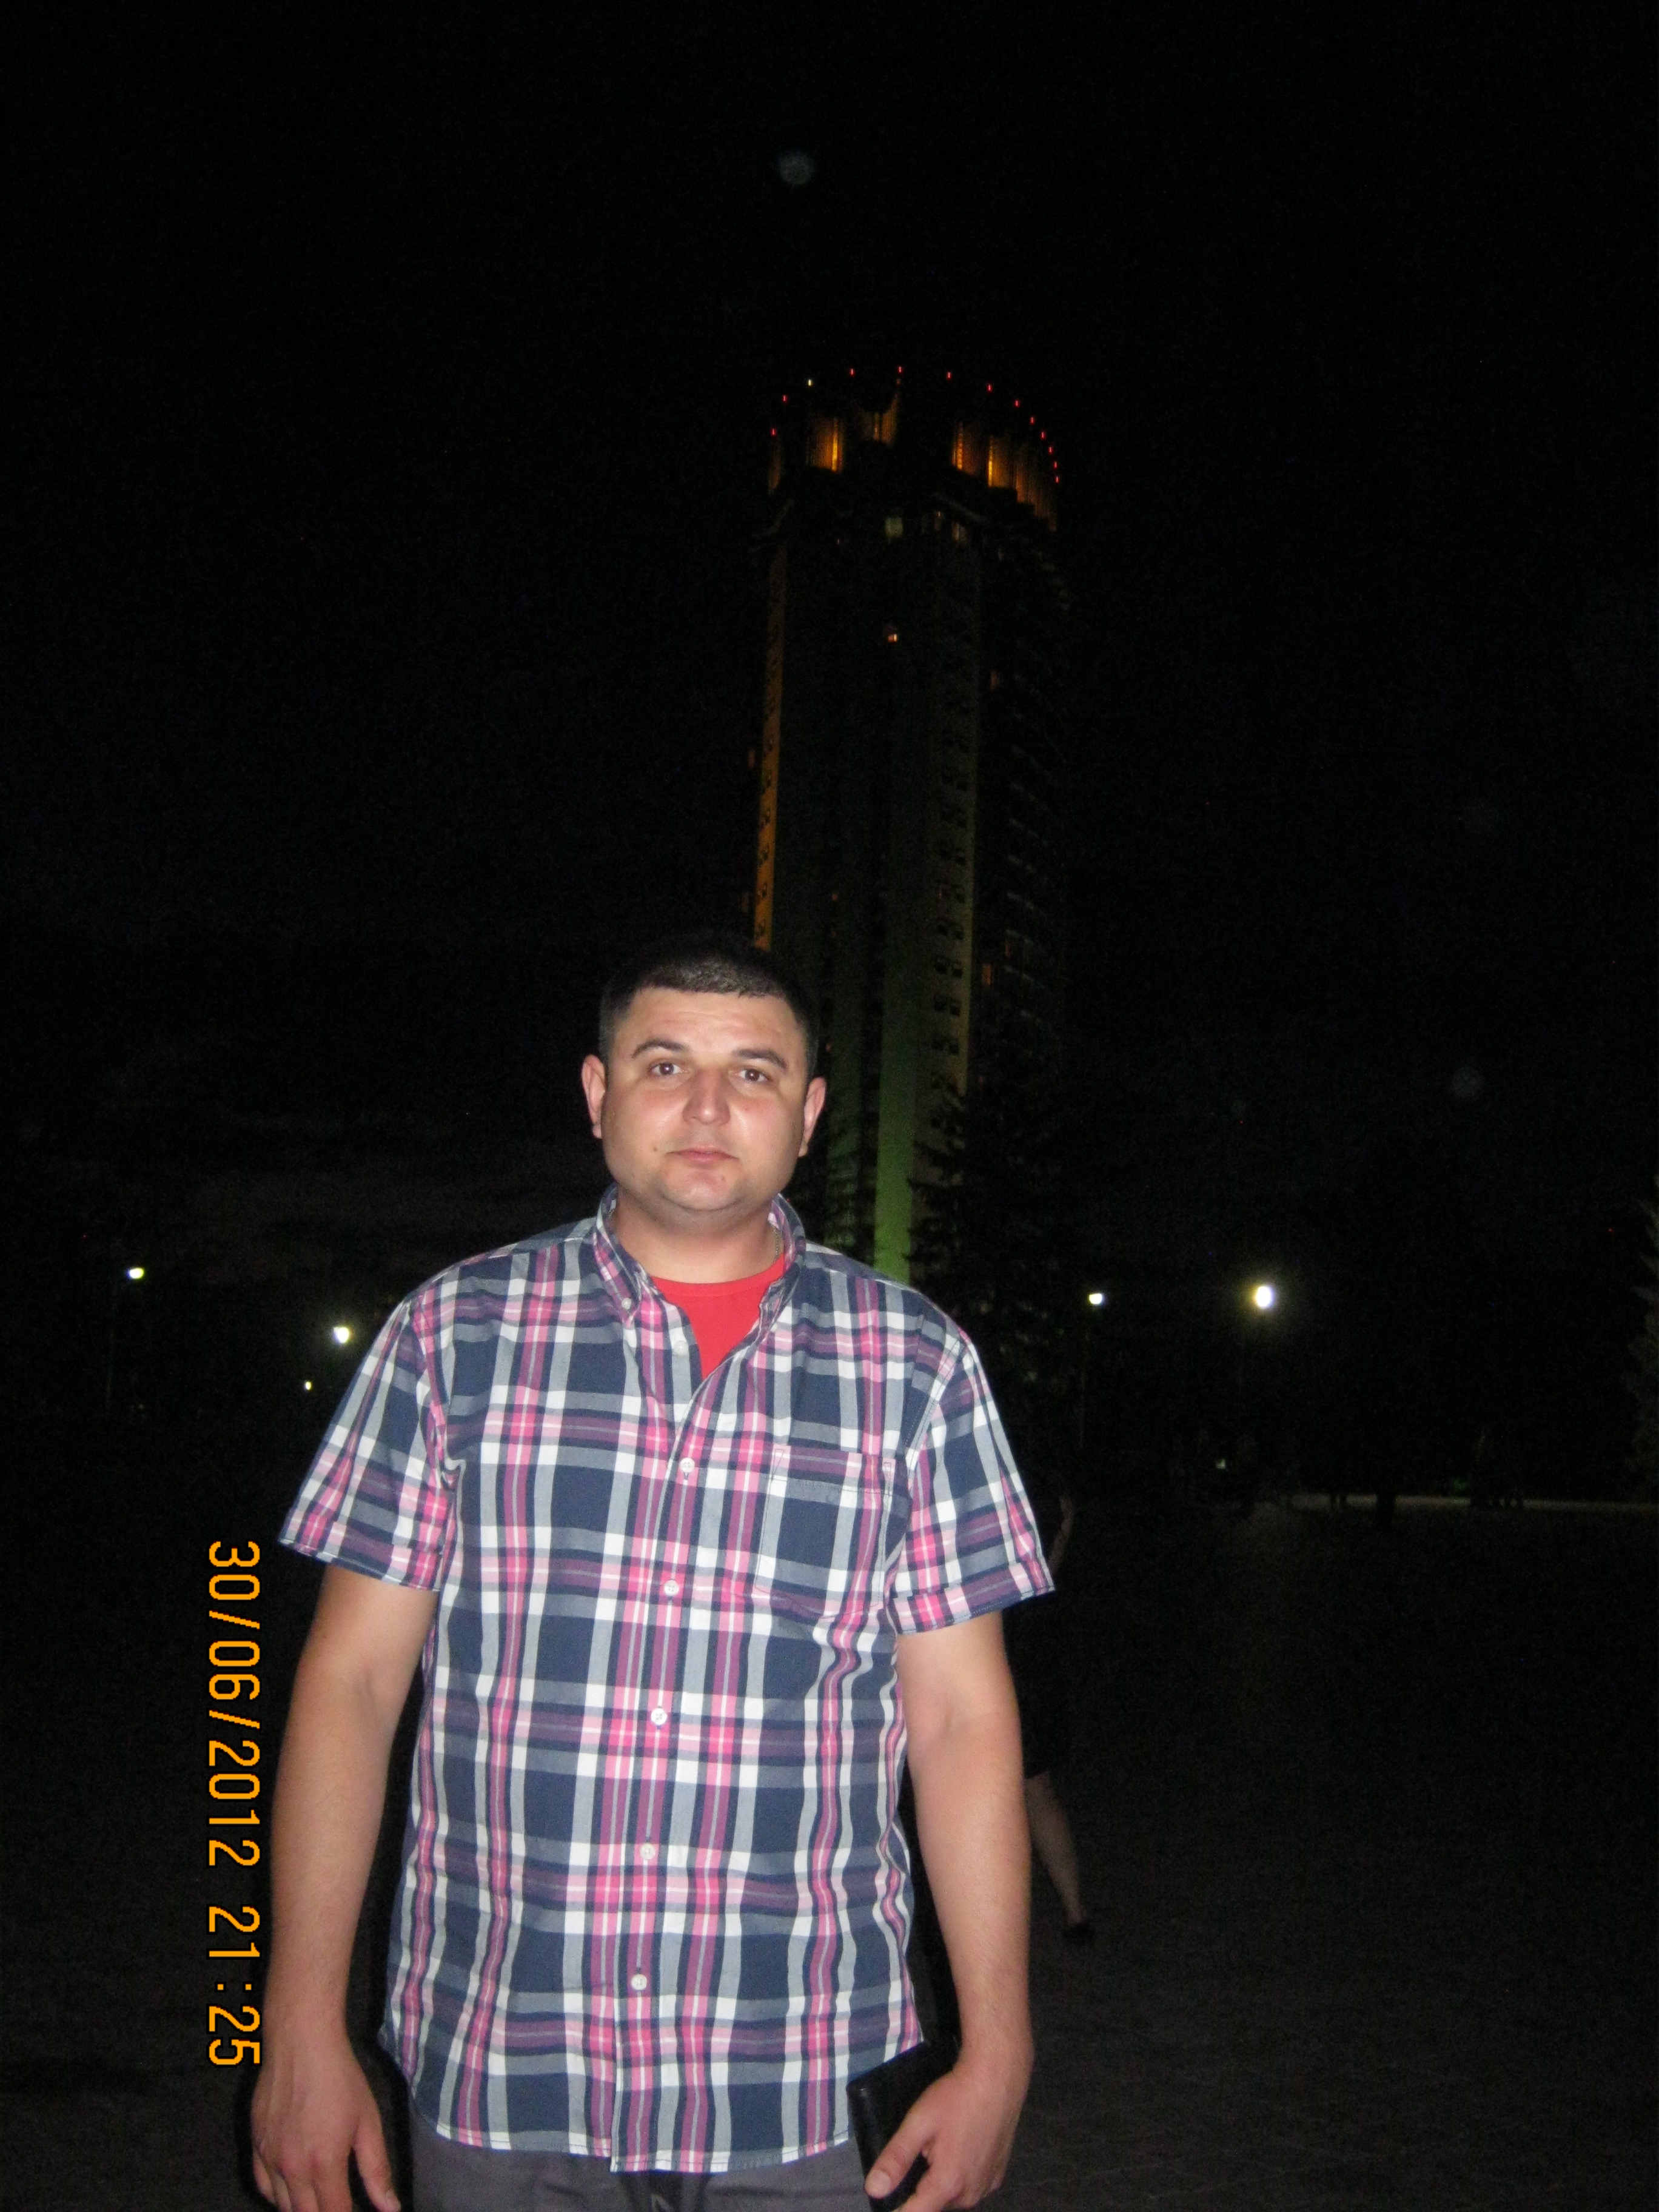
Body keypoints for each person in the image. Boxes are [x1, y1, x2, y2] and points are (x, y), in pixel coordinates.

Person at [250, 932, 1051, 2212]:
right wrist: (296, 2026)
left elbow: (961, 1720)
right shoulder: (451, 1337)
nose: (708, 1108)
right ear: (598, 1092)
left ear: (809, 1115)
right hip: (499, 2060)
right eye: (666, 1064)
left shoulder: (917, 1368)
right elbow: (350, 1686)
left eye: (754, 1073)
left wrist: (999, 2049)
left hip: (803, 2075)